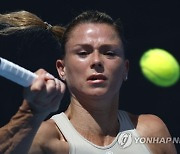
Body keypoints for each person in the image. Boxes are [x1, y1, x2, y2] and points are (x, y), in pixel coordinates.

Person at [0, 10, 177, 154]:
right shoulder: (44, 137)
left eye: (109, 53)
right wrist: (31, 112)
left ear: (125, 69)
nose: (96, 61)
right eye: (83, 53)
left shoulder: (152, 131)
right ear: (62, 69)